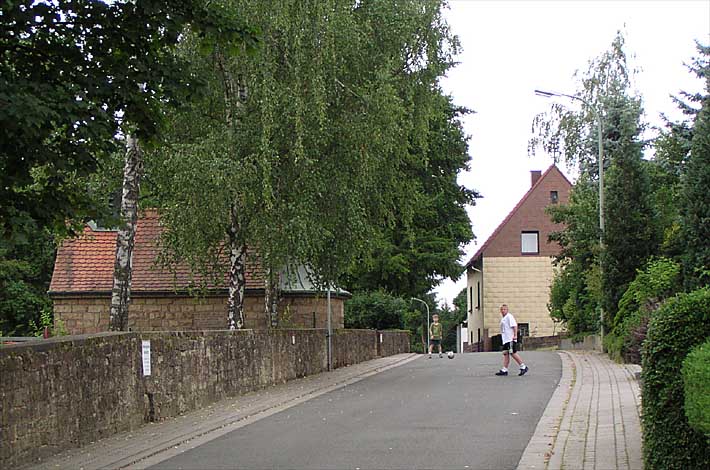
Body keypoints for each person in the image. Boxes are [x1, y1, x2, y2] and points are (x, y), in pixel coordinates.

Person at [495, 304, 529, 376]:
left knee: (512, 353)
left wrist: (515, 335)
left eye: (505, 309)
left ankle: (523, 366)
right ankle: (504, 370)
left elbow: (514, 326)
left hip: (510, 338)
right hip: (505, 339)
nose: (503, 311)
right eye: (502, 309)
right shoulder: (503, 319)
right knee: (505, 353)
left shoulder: (509, 316)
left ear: (507, 310)